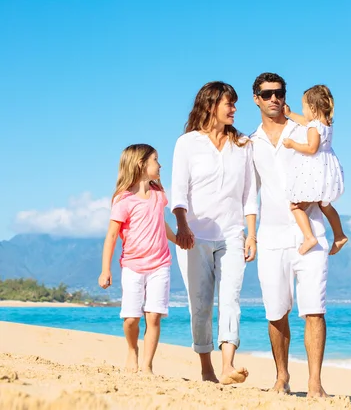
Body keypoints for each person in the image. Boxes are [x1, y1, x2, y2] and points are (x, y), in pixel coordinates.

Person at [171, 81, 257, 385]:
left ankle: (227, 365)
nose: (234, 109)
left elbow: (250, 194)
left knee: (230, 297)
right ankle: (206, 369)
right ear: (210, 106)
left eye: (234, 104)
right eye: (228, 104)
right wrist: (182, 227)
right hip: (195, 237)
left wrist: (251, 234)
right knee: (201, 302)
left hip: (233, 233)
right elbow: (179, 191)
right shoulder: (187, 144)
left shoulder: (243, 144)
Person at [250, 72, 329, 397]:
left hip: (311, 233)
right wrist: (250, 234)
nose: (274, 99)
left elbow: (329, 169)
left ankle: (314, 384)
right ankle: (281, 378)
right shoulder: (249, 143)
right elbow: (247, 193)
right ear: (256, 98)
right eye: (267, 94)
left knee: (314, 309)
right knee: (275, 309)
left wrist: (315, 198)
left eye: (279, 93)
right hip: (270, 236)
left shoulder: (305, 130)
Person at [98, 143, 176, 374]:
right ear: (141, 164)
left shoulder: (158, 194)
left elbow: (160, 223)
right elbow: (112, 236)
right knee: (131, 318)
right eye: (155, 160)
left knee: (154, 317)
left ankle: (147, 366)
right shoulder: (123, 200)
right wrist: (106, 270)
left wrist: (177, 239)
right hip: (133, 266)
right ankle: (132, 350)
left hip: (160, 264)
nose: (160, 165)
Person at [283, 85, 348, 255]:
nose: (303, 111)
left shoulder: (314, 127)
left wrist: (292, 145)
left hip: (314, 170)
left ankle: (309, 237)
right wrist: (289, 114)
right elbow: (306, 122)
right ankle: (339, 235)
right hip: (327, 171)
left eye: (304, 107)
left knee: (296, 206)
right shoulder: (325, 124)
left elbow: (312, 148)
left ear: (312, 107)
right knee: (325, 204)